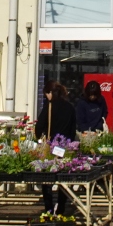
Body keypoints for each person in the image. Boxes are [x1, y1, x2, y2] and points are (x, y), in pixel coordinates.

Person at [36, 81, 78, 214]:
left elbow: (39, 126)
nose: (46, 96)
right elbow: (73, 130)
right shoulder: (70, 107)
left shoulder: (49, 106)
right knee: (64, 177)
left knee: (47, 177)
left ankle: (49, 208)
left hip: (50, 146)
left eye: (47, 93)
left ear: (51, 93)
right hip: (65, 147)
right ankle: (61, 207)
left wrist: (39, 139)